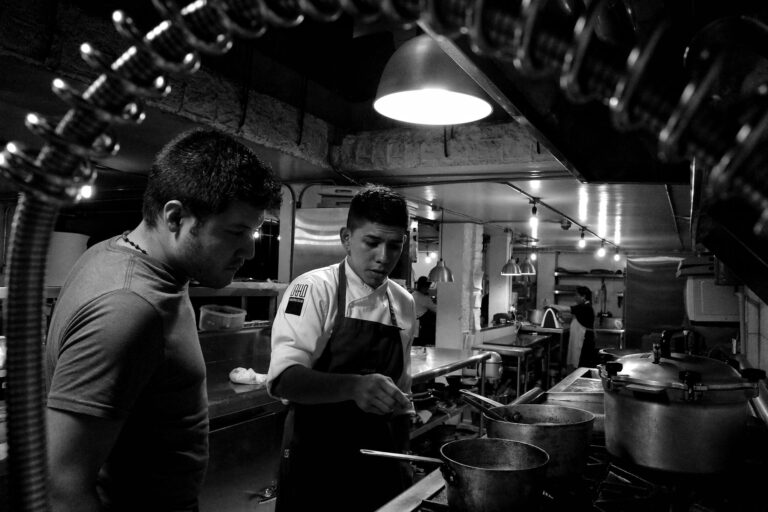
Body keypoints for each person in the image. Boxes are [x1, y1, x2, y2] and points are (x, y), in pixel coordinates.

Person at [44, 128, 283, 512]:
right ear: (175, 217)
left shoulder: (131, 258)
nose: (250, 249)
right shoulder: (128, 306)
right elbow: (62, 485)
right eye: (236, 231)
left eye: (252, 231)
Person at [267, 184, 416, 512]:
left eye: (395, 246)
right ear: (346, 238)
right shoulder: (312, 290)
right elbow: (283, 379)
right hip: (318, 461)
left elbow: (401, 391)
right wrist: (354, 386)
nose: (384, 257)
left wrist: (404, 454)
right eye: (372, 242)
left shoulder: (403, 303)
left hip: (379, 460)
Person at [554, 286, 596, 371]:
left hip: (584, 341)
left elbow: (566, 309)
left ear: (583, 296)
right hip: (581, 339)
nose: (575, 297)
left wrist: (551, 306)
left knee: (583, 367)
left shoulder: (585, 307)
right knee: (579, 366)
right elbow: (576, 320)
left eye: (577, 295)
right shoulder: (583, 306)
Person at [411, 275, 437, 346]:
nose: (428, 289)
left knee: (416, 344)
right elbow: (436, 309)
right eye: (427, 287)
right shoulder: (424, 298)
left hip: (414, 324)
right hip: (422, 326)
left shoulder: (413, 294)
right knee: (423, 344)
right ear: (422, 286)